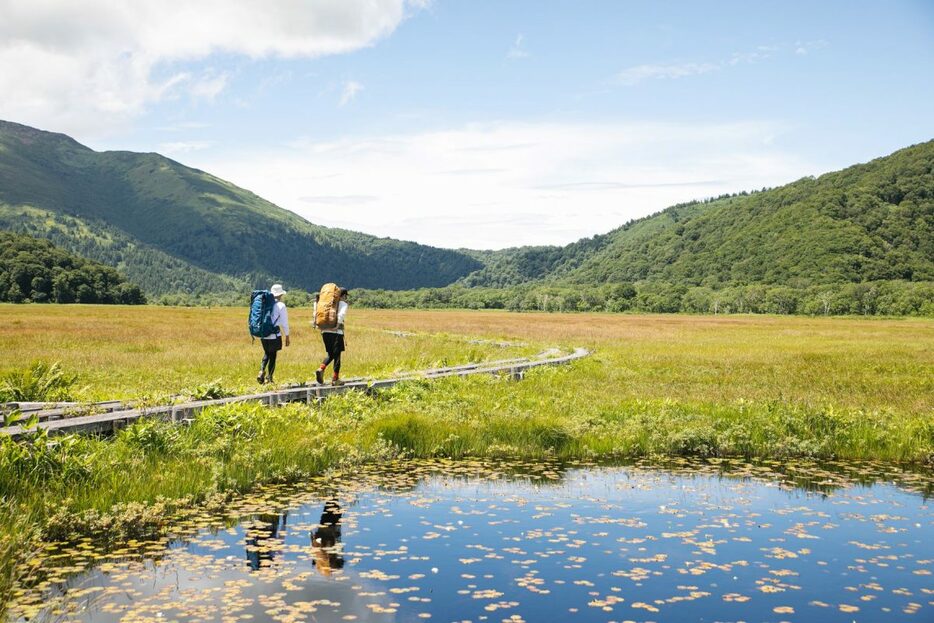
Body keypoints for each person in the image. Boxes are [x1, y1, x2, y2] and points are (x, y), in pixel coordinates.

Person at [257, 283, 290, 385]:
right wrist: (287, 336)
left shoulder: (265, 303)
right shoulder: (281, 305)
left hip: (263, 333)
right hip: (274, 335)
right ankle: (269, 378)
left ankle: (261, 370)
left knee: (267, 353)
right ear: (280, 294)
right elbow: (284, 322)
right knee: (273, 356)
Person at [315, 288, 348, 386]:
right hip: (336, 332)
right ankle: (335, 379)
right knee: (337, 356)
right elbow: (341, 315)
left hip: (325, 331)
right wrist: (337, 326)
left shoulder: (327, 304)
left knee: (331, 354)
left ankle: (321, 368)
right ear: (343, 295)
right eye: (346, 296)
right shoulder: (343, 304)